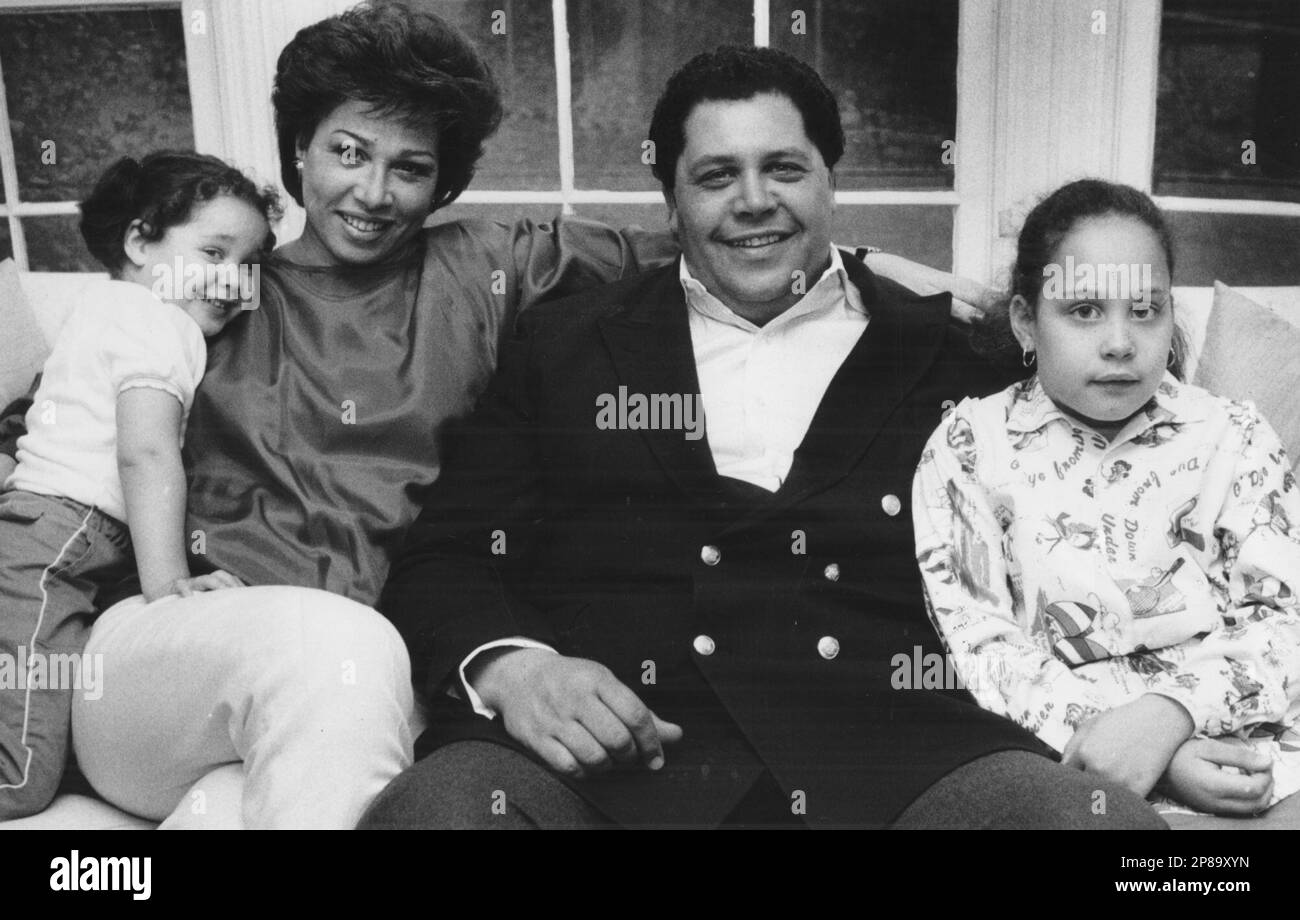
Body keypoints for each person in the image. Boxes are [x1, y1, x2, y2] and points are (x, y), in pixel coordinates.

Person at [0, 4, 1005, 830]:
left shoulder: (488, 267)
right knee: (332, 655)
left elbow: (703, 242)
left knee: (255, 797)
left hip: (343, 696)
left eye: (411, 166)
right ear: (298, 147)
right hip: (187, 651)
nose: (373, 191)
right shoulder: (219, 288)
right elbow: (82, 429)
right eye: (348, 151)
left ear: (445, 181)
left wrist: (872, 269)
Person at [361, 48, 1170, 829]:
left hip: (900, 761)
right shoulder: (563, 347)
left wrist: (1170, 715)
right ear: (672, 204)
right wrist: (519, 669)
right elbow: (447, 555)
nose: (754, 200)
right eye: (717, 176)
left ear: (829, 181)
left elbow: (1102, 558)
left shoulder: (960, 359)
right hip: (616, 761)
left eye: (784, 168)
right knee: (435, 816)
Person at [912, 178, 1300, 829]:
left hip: (1256, 752)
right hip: (1071, 768)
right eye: (1085, 310)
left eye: (1145, 310)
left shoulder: (1231, 434)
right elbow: (983, 645)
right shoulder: (968, 446)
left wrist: (1174, 716)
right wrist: (1152, 753)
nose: (1120, 342)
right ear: (1025, 322)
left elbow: (1284, 614)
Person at [0, 152, 276, 818]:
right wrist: (167, 584)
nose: (232, 281)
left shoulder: (105, 307)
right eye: (212, 251)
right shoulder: (163, 322)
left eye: (249, 264)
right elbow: (146, 452)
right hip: (58, 535)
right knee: (24, 770)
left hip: (39, 528)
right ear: (138, 240)